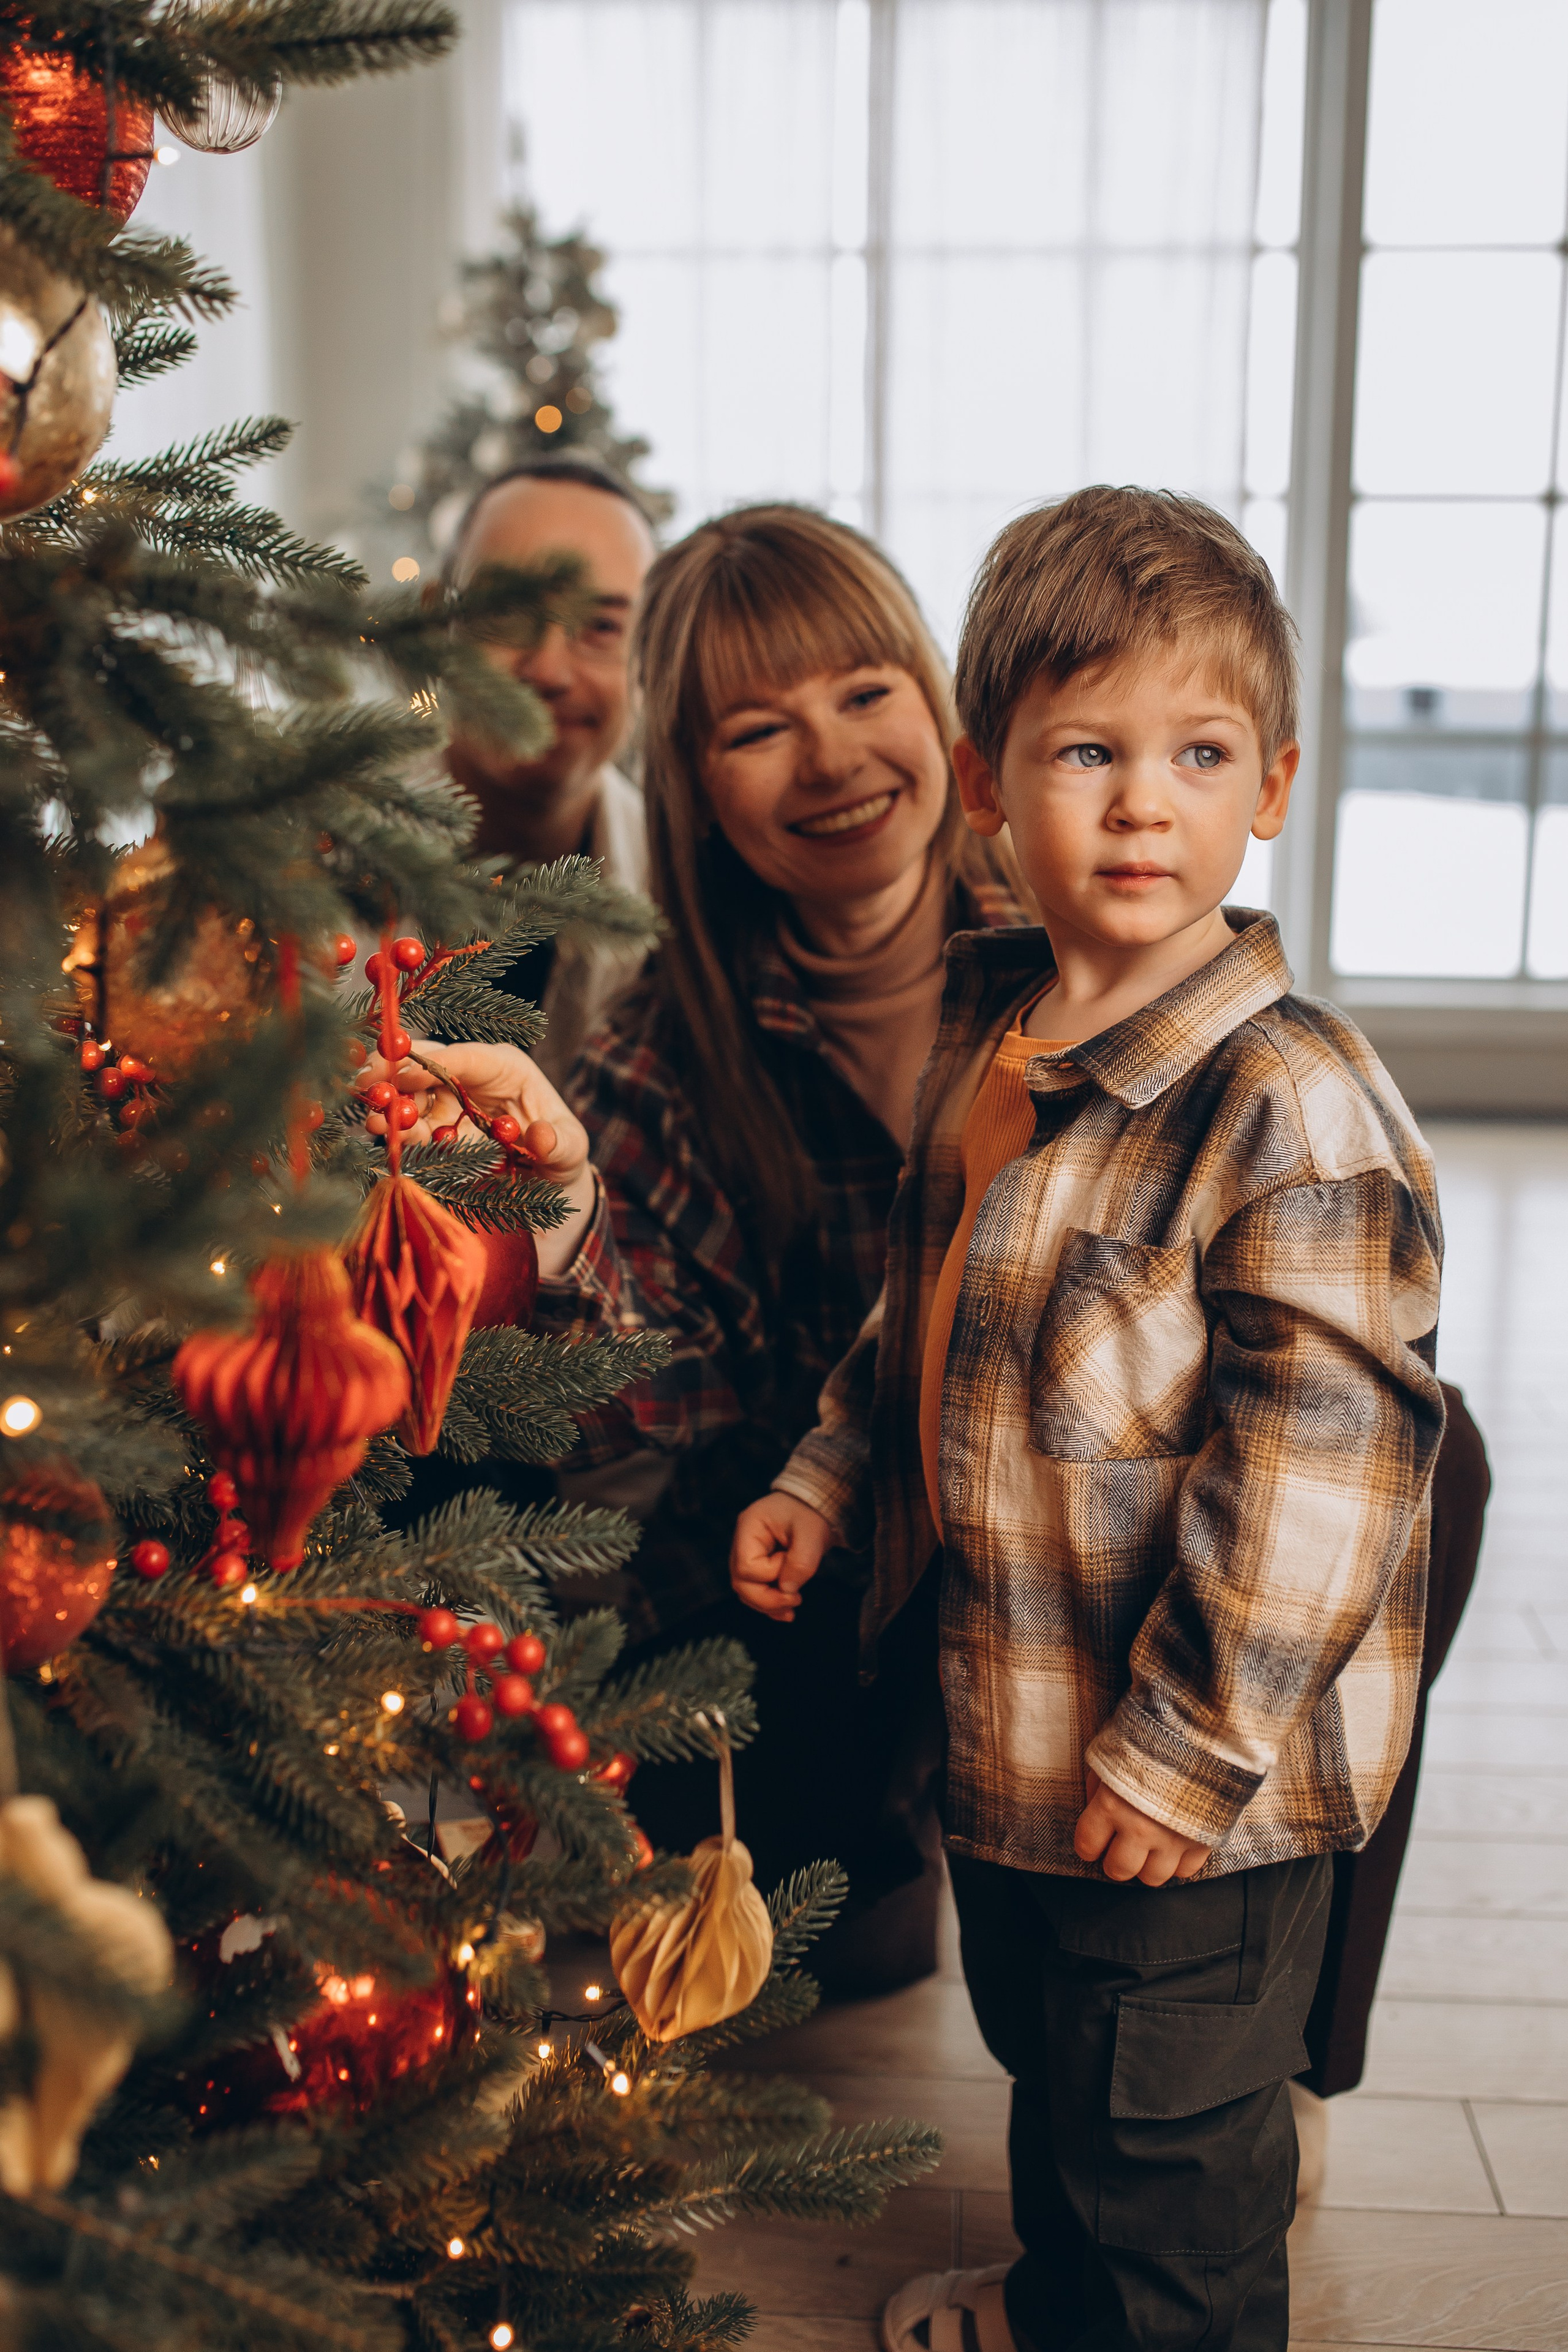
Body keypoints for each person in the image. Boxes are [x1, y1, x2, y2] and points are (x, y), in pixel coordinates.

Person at [729, 488, 1447, 2352]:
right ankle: (1064, 2299)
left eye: (1195, 751)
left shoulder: (1288, 1106)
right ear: (988, 784)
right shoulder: (1014, 1050)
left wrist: (1187, 1746)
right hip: (1019, 1737)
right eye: (1085, 751)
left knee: (1164, 2138)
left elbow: (1325, 1475)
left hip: (1192, 1785)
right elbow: (929, 1315)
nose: (1142, 800)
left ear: (1270, 781)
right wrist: (825, 1471)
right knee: (1052, 2059)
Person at [375, 505, 1032, 1991]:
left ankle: (1283, 2053)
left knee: (1421, 1455)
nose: (834, 757)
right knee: (834, 1956)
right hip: (818, 1593)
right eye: (757, 727)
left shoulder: (1078, 952)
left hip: (1071, 1544)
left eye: (866, 693)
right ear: (694, 789)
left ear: (935, 705)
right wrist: (555, 1206)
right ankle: (893, 1832)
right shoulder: (662, 1063)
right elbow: (646, 1397)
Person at [437, 453, 657, 1079]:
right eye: (508, 613)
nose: (548, 671)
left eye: (601, 626)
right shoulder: (304, 854)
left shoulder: (687, 893)